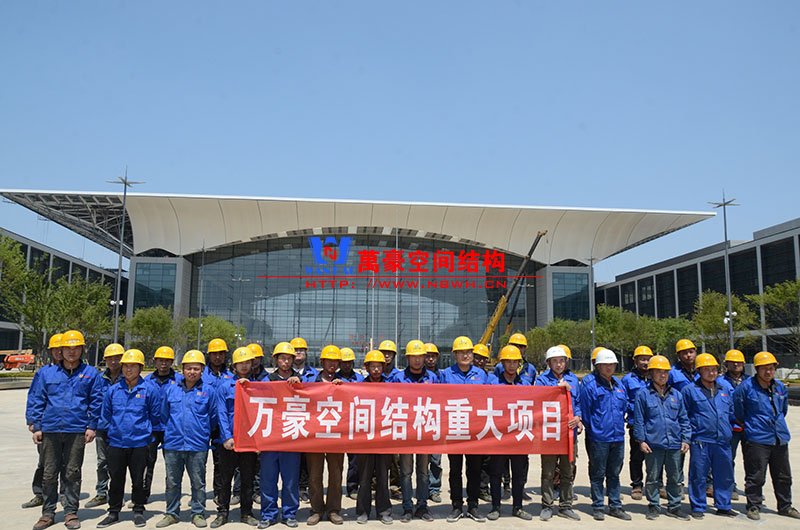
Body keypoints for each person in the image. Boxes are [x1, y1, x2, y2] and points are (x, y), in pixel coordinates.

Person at [27, 329, 103, 530]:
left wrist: (92, 426)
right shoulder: (46, 373)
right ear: (60, 350)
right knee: (49, 473)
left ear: (82, 349)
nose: (71, 352)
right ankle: (47, 513)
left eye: (75, 348)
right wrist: (36, 426)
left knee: (72, 473)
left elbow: (96, 402)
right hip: (50, 429)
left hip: (76, 430)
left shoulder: (91, 374)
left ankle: (70, 512)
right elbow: (37, 399)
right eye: (67, 348)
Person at [96, 349, 161, 528]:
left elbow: (155, 416)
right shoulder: (113, 390)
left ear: (140, 368)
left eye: (133, 366)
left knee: (138, 480)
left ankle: (138, 510)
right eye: (125, 366)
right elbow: (106, 415)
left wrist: (147, 436)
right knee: (116, 479)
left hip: (140, 443)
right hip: (116, 443)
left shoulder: (149, 390)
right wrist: (110, 436)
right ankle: (113, 512)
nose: (128, 369)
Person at [733, 351, 800, 521]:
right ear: (757, 369)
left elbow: (783, 410)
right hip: (757, 438)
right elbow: (738, 411)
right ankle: (753, 505)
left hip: (779, 437)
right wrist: (751, 425)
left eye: (771, 368)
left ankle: (785, 506)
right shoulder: (746, 388)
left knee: (783, 476)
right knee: (756, 476)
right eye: (764, 368)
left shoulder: (780, 387)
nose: (768, 372)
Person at [156, 350, 218, 529]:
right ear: (182, 369)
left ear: (202, 370)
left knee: (198, 482)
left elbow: (213, 417)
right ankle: (171, 513)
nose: (192, 372)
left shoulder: (208, 391)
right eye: (189, 368)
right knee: (172, 482)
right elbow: (164, 414)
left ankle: (198, 513)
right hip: (173, 444)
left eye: (196, 369)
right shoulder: (171, 389)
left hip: (197, 444)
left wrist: (202, 433)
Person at [633, 355, 690, 521]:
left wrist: (686, 439)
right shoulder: (643, 395)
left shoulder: (677, 395)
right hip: (653, 444)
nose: (662, 375)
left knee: (675, 478)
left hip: (674, 443)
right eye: (658, 371)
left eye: (665, 372)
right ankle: (654, 505)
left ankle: (675, 506)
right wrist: (641, 440)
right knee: (652, 478)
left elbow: (684, 419)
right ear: (651, 373)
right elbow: (639, 420)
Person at [439, 336, 488, 523]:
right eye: (461, 352)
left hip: (475, 430)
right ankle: (456, 505)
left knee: (474, 470)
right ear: (455, 355)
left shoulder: (481, 375)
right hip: (455, 429)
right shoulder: (446, 374)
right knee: (455, 470)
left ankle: (473, 505)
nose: (465, 355)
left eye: (468, 352)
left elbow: (499, 393)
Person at [681, 353, 735, 519]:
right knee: (698, 475)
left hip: (722, 440)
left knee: (724, 474)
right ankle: (698, 506)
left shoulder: (724, 390)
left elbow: (731, 413)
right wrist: (687, 436)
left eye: (714, 369)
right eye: (707, 370)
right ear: (699, 371)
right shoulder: (689, 391)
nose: (711, 373)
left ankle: (724, 505)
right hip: (701, 440)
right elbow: (684, 415)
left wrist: (727, 430)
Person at [579, 348, 631, 521]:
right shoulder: (590, 385)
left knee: (614, 473)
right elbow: (586, 412)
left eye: (612, 364)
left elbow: (623, 408)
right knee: (597, 473)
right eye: (605, 364)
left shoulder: (619, 385)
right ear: (598, 366)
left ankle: (615, 506)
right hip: (598, 438)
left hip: (618, 437)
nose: (609, 367)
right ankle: (598, 506)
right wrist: (595, 429)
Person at [390, 340, 436, 522]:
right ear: (407, 358)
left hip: (425, 431)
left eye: (420, 357)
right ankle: (407, 507)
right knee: (406, 472)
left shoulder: (433, 378)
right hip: (406, 432)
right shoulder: (398, 378)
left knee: (423, 472)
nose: (417, 360)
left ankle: (422, 506)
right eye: (413, 357)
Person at [486, 345, 533, 521]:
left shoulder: (525, 384)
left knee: (518, 474)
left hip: (519, 436)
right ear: (503, 363)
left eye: (515, 362)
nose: (512, 365)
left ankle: (518, 507)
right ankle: (495, 507)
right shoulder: (493, 383)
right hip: (498, 435)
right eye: (508, 362)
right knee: (496, 473)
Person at [535, 346, 582, 521]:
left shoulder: (573, 380)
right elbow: (538, 402)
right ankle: (547, 505)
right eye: (555, 361)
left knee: (567, 471)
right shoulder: (541, 381)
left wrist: (578, 417)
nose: (559, 364)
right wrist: (557, 389)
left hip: (569, 434)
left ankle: (565, 506)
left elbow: (578, 403)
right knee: (548, 472)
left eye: (562, 361)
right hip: (550, 433)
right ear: (548, 363)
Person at [213, 346, 259, 528]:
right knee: (225, 480)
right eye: (241, 363)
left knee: (248, 479)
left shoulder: (258, 387)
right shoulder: (225, 386)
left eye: (247, 362)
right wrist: (226, 437)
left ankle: (246, 513)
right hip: (229, 441)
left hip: (249, 441)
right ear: (234, 365)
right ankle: (222, 513)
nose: (244, 366)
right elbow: (221, 413)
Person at [258, 342, 303, 529]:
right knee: (268, 480)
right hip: (270, 438)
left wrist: (299, 385)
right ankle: (268, 514)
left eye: (289, 358)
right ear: (276, 360)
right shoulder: (266, 380)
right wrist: (244, 386)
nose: (285, 362)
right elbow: (255, 401)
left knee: (290, 480)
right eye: (282, 358)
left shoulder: (301, 381)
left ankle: (289, 514)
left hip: (291, 438)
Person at [23, 332, 65, 510]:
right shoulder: (43, 373)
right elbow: (34, 397)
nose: (58, 352)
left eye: (61, 349)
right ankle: (40, 493)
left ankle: (64, 495)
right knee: (44, 462)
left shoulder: (74, 373)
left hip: (68, 426)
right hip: (47, 426)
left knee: (67, 464)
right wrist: (33, 421)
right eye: (55, 349)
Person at [306, 345, 346, 525]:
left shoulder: (344, 382)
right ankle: (316, 509)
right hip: (314, 436)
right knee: (315, 474)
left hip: (336, 436)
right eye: (329, 360)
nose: (332, 364)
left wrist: (342, 388)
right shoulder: (310, 380)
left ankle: (333, 509)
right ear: (322, 362)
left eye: (335, 361)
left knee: (336, 474)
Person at [86, 342, 125, 509]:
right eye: (110, 358)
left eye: (117, 358)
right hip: (103, 427)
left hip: (121, 428)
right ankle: (101, 492)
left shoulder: (129, 378)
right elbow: (93, 402)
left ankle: (117, 494)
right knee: (102, 462)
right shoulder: (99, 379)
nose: (114, 361)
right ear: (105, 360)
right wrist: (92, 425)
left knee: (118, 464)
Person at [355, 351, 393, 525]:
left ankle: (384, 511)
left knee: (383, 477)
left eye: (379, 366)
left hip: (384, 439)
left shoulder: (391, 386)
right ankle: (363, 511)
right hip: (365, 439)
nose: (376, 370)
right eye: (373, 366)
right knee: (364, 478)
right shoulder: (359, 387)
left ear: (383, 367)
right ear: (367, 368)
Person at [143, 346, 182, 505]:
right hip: (151, 428)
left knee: (172, 465)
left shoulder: (179, 380)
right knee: (147, 463)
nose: (163, 364)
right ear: (155, 361)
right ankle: (144, 494)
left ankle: (171, 495)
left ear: (172, 362)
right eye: (160, 360)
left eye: (167, 361)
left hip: (171, 428)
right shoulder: (147, 381)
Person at [206, 338, 235, 510]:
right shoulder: (202, 375)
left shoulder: (231, 376)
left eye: (221, 354)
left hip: (223, 426)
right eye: (214, 354)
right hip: (205, 423)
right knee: (200, 461)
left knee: (220, 461)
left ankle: (219, 492)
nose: (218, 357)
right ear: (209, 355)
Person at [621, 345, 652, 501]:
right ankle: (637, 485)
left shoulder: (656, 376)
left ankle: (656, 484)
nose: (645, 362)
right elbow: (623, 401)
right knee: (637, 456)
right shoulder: (628, 380)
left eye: (648, 359)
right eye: (642, 359)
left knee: (656, 456)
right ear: (635, 361)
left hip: (654, 423)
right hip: (636, 423)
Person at [718, 348, 748, 500]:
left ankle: (751, 487)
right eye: (732, 362)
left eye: (739, 362)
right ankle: (730, 486)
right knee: (728, 458)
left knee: (752, 460)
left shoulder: (751, 381)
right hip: (729, 426)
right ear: (726, 364)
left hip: (748, 426)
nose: (736, 364)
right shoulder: (720, 382)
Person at [290, 336, 316, 504]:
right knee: (292, 458)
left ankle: (303, 487)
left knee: (307, 458)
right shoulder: (283, 374)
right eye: (296, 350)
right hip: (290, 419)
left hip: (309, 421)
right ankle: (292, 487)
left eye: (301, 350)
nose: (299, 353)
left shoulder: (314, 374)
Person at [335, 347, 363, 501]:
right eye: (343, 362)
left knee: (355, 460)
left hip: (354, 424)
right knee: (336, 461)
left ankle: (352, 487)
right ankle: (335, 488)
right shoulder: (333, 379)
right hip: (337, 424)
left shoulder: (360, 379)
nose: (346, 365)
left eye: (349, 362)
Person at [378, 339, 402, 501]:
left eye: (389, 353)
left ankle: (395, 487)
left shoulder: (399, 376)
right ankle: (375, 487)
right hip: (377, 423)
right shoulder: (373, 376)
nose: (386, 356)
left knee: (396, 458)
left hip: (395, 422)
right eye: (384, 353)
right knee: (376, 457)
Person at [423, 343, 443, 504]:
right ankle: (422, 489)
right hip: (419, 422)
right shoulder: (418, 375)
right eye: (427, 356)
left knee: (436, 459)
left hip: (437, 423)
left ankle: (434, 489)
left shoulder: (442, 376)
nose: (430, 359)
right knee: (420, 461)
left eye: (433, 356)